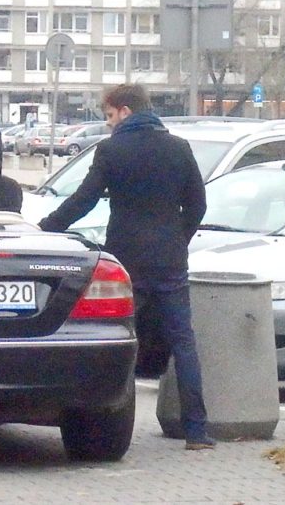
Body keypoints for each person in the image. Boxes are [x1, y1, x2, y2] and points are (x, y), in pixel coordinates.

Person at [38, 83, 214, 451]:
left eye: (109, 116)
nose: (107, 124)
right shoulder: (179, 149)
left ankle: (111, 424)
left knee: (122, 341)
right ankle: (197, 431)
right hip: (169, 260)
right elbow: (197, 205)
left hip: (127, 258)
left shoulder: (112, 151)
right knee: (183, 342)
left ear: (125, 112)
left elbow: (83, 201)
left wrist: (43, 231)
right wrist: (176, 239)